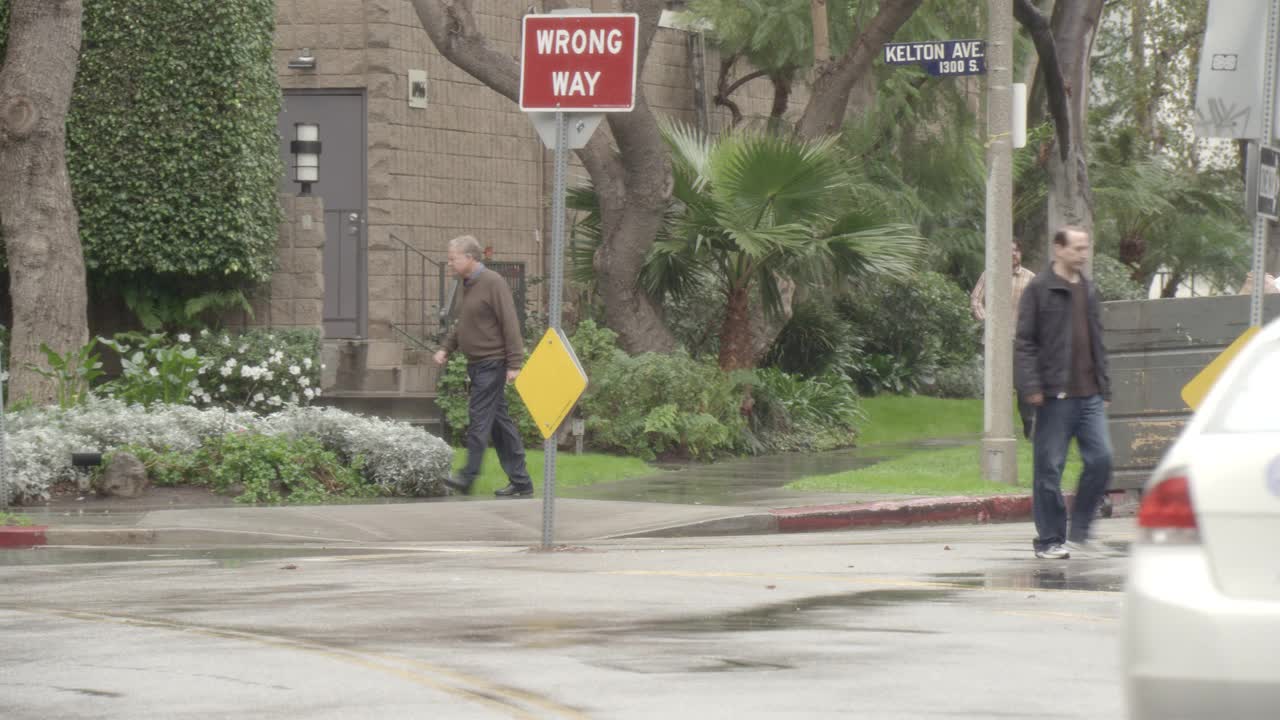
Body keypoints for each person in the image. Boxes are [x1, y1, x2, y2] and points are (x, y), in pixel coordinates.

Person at [1015, 227, 1113, 560]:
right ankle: (1050, 540)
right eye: (1077, 248)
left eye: (1086, 248)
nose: (1083, 254)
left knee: (1101, 459)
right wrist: (1031, 387)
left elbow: (1097, 339)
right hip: (1054, 396)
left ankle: (1080, 531)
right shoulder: (1040, 289)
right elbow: (1025, 343)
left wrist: (1104, 384)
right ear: (1058, 248)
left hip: (1090, 396)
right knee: (1049, 470)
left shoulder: (1088, 288)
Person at [433, 235, 534, 498]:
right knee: (500, 425)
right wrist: (446, 347)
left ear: (470, 257)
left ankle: (467, 477)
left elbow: (510, 323)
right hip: (477, 364)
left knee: (479, 420)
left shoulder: (493, 282)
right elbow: (462, 324)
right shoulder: (466, 284)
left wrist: (514, 362)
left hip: (492, 364)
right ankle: (521, 482)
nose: (450, 263)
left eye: (453, 258)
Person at [971, 239, 1037, 438]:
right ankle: (999, 429)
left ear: (1020, 253)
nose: (1013, 255)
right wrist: (987, 321)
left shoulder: (1031, 278)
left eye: (1016, 251)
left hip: (1022, 340)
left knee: (1024, 385)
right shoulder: (990, 275)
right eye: (1008, 252)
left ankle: (1029, 425)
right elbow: (975, 300)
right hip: (995, 341)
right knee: (999, 386)